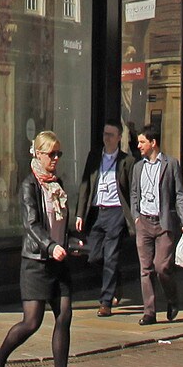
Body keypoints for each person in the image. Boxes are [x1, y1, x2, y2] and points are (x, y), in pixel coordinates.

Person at [0, 131, 82, 367]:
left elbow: (60, 223)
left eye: (58, 154)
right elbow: (32, 224)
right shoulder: (29, 185)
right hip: (36, 262)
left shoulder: (58, 183)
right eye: (51, 154)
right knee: (32, 322)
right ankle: (0, 356)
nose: (55, 159)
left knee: (64, 317)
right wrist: (51, 247)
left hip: (59, 262)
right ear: (38, 154)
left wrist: (73, 241)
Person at [129, 123, 183, 325]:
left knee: (161, 266)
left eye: (142, 142)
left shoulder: (171, 164)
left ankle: (172, 298)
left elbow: (179, 194)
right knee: (145, 269)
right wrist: (136, 215)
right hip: (144, 222)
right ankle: (150, 312)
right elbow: (134, 193)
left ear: (153, 143)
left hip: (163, 223)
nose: (138, 146)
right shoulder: (138, 167)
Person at [74, 120, 131, 315]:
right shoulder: (94, 156)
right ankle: (116, 279)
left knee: (111, 256)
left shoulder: (126, 161)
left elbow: (131, 191)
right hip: (97, 211)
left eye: (111, 135)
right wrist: (80, 213)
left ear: (119, 137)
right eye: (105, 134)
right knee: (94, 255)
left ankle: (105, 302)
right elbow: (85, 186)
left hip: (116, 212)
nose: (106, 138)